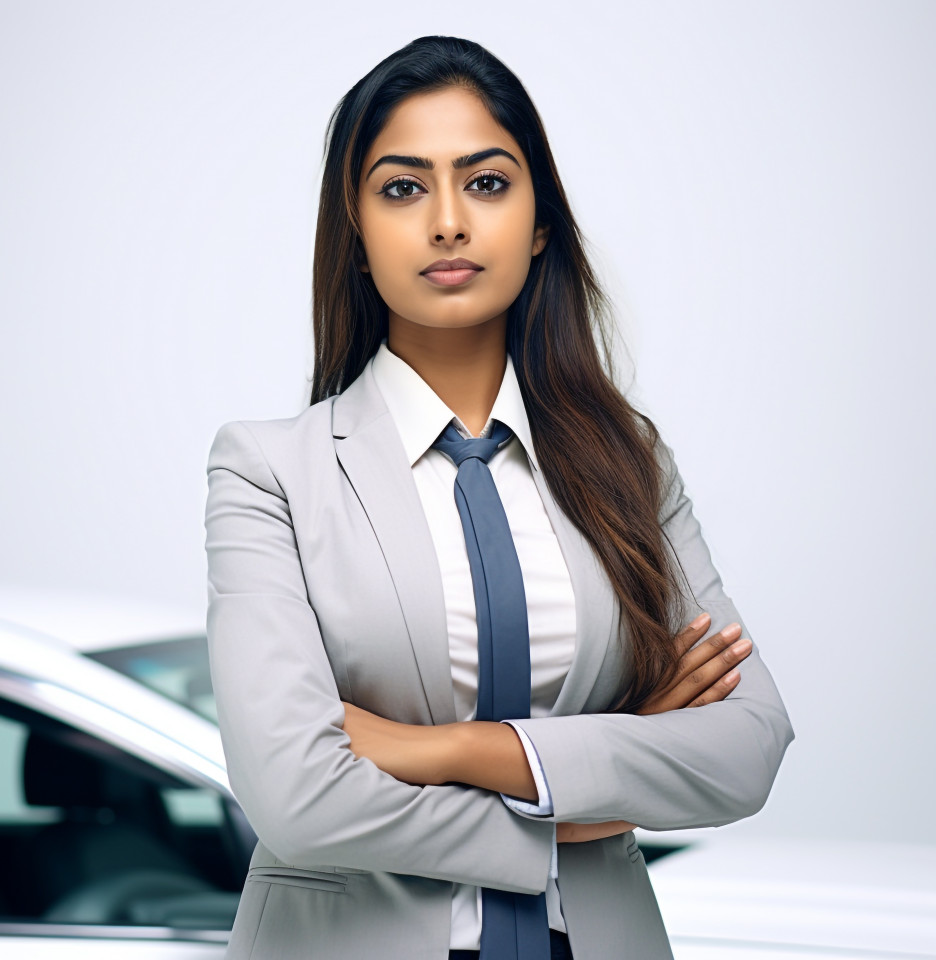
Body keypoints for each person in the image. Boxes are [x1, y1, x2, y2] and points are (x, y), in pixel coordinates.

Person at [204, 35, 794, 960]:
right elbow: (294, 795)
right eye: (403, 188)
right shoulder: (270, 471)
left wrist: (440, 750)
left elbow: (748, 744)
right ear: (355, 232)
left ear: (541, 220)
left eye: (486, 183)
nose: (448, 221)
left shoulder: (629, 463)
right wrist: (589, 787)